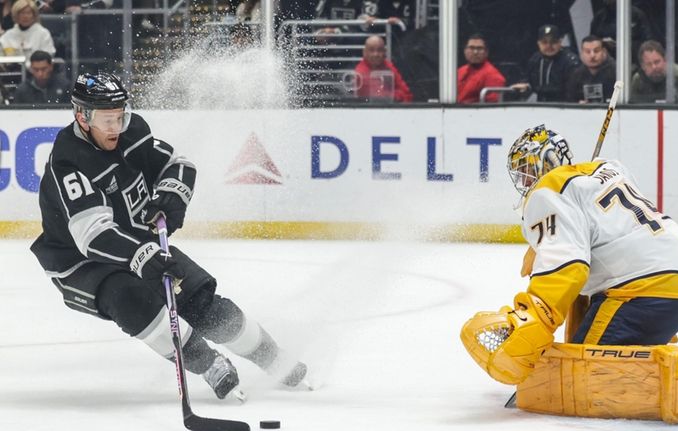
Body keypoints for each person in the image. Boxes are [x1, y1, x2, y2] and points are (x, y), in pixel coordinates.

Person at [29, 73, 308, 401]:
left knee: (202, 304)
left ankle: (271, 356)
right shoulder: (68, 160)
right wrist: (142, 255)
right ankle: (209, 364)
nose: (115, 127)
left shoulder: (133, 131)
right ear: (82, 117)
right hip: (79, 263)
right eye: (107, 120)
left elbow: (178, 165)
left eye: (120, 116)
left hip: (135, 243)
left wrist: (173, 196)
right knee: (132, 299)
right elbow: (91, 234)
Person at [461, 124, 678, 424]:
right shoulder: (607, 169)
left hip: (647, 290)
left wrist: (533, 318)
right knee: (585, 346)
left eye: (526, 171)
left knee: (584, 376)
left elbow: (567, 268)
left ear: (546, 163)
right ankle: (657, 360)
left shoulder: (548, 191)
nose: (525, 181)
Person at [510, 24, 580, 102]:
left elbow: (571, 90)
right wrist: (525, 85)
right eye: (544, 42)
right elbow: (528, 79)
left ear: (560, 42)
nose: (549, 46)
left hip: (564, 106)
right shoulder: (535, 59)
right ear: (538, 43)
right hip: (542, 107)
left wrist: (535, 88)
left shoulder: (570, 61)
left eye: (553, 42)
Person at [630, 40, 678, 104]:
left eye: (657, 62)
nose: (654, 67)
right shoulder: (638, 80)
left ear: (665, 60)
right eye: (649, 64)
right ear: (643, 67)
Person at [353, 35, 412, 102]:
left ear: (384, 52)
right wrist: (395, 95)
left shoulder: (388, 66)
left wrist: (393, 95)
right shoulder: (360, 72)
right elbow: (379, 97)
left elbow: (407, 93)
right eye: (371, 50)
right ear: (364, 52)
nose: (376, 54)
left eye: (379, 50)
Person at [457, 33, 506, 104]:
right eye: (471, 48)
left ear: (486, 52)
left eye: (479, 48)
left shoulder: (493, 76)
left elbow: (492, 108)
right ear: (465, 51)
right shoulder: (460, 71)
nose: (475, 52)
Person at [566, 35, 616, 103]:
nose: (592, 55)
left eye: (596, 51)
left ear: (604, 52)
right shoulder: (576, 75)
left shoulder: (616, 72)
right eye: (587, 51)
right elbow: (569, 101)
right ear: (581, 54)